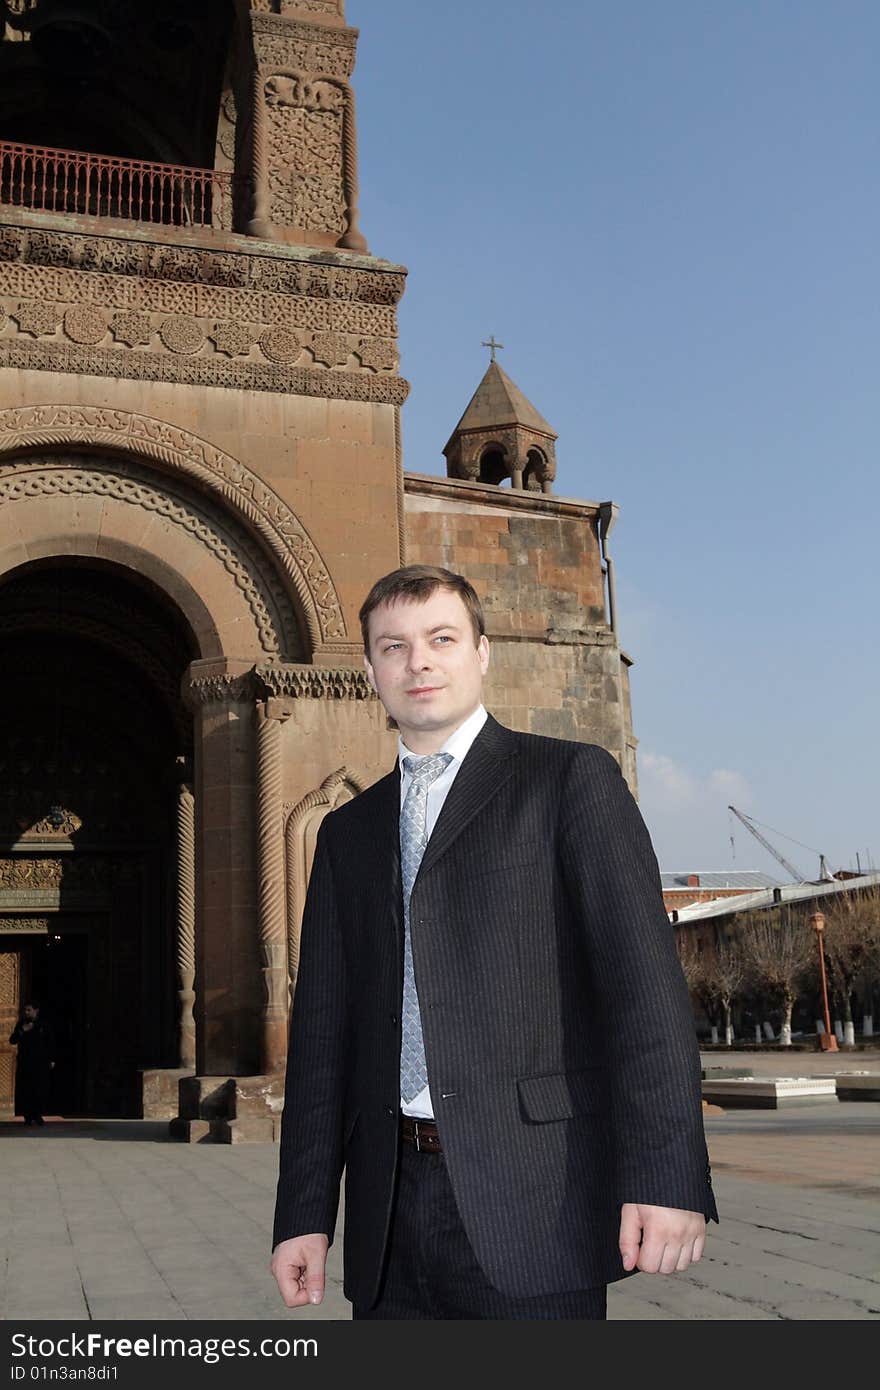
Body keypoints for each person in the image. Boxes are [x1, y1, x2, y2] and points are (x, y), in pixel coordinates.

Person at [272, 565, 717, 1320]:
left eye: (441, 639)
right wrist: (304, 1217)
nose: (418, 662)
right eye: (394, 646)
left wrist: (666, 1178)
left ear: (481, 653)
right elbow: (322, 1039)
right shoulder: (347, 832)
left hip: (535, 1200)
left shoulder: (568, 781)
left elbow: (644, 995)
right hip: (389, 1216)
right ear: (371, 669)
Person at [10, 1001, 55, 1127]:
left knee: (40, 1089)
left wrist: (51, 1059)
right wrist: (22, 1031)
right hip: (25, 1063)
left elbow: (50, 1043)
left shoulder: (43, 1025)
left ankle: (38, 1115)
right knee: (25, 1089)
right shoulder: (21, 1025)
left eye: (29, 1010)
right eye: (25, 1010)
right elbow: (12, 1040)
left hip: (40, 1063)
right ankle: (27, 1117)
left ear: (36, 1010)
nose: (26, 1012)